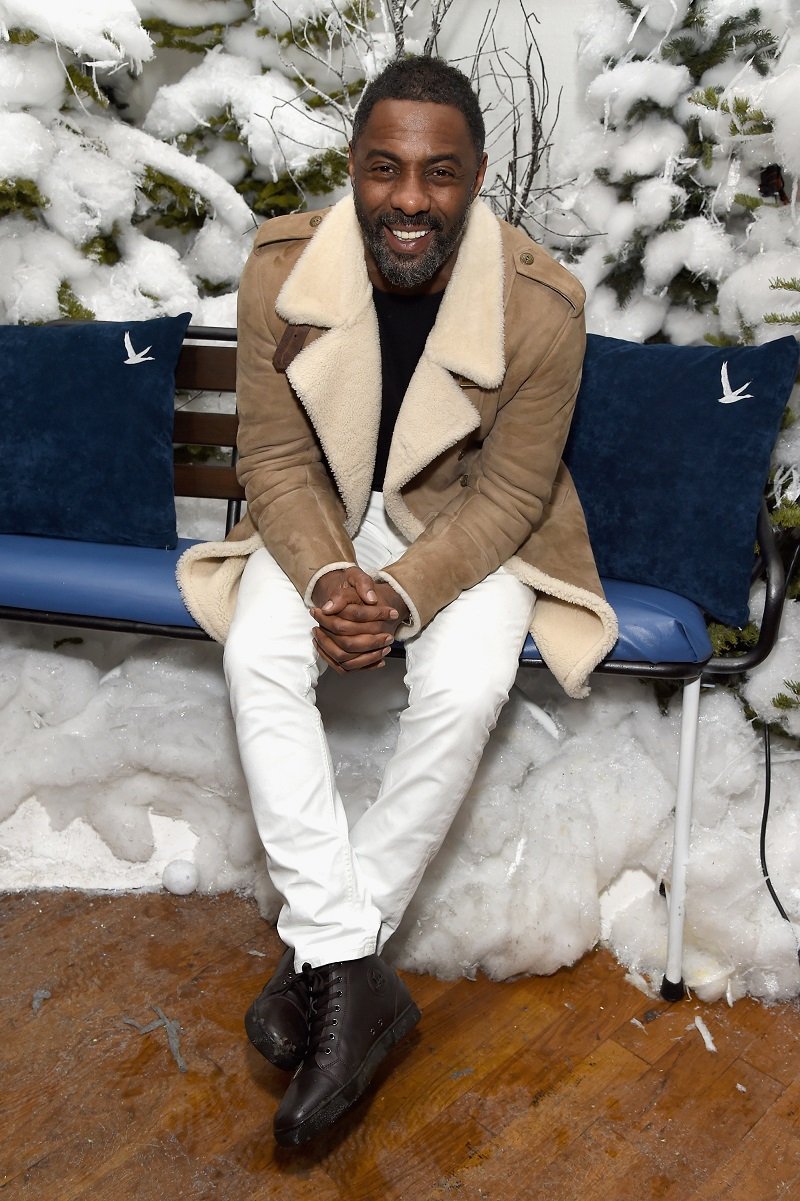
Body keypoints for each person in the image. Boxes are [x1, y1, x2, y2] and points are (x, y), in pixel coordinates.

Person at [177, 55, 617, 1147]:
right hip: (316, 521)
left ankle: (321, 968)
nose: (408, 199)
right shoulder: (284, 266)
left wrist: (403, 598)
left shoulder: (539, 305)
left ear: (474, 179)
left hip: (464, 529)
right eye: (384, 169)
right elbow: (273, 461)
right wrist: (331, 577)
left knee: (466, 689)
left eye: (436, 172)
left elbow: (513, 489)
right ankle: (352, 975)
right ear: (353, 171)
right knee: (257, 657)